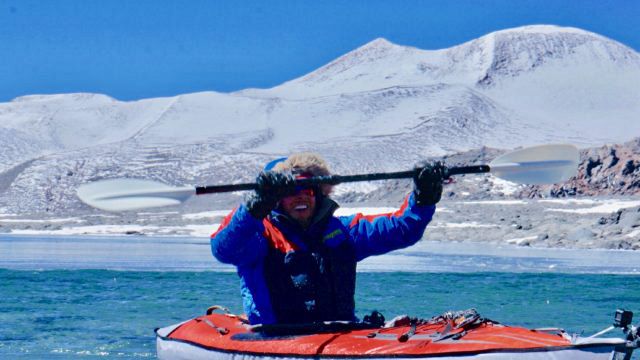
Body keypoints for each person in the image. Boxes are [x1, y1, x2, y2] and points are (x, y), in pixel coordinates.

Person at [210, 153, 445, 325]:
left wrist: (425, 196)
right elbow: (224, 249)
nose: (300, 197)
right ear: (276, 200)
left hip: (340, 336)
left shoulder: (345, 230)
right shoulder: (259, 234)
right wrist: (253, 207)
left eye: (308, 189)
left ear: (320, 193)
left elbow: (402, 229)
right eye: (290, 192)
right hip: (276, 339)